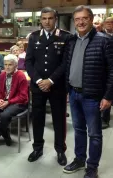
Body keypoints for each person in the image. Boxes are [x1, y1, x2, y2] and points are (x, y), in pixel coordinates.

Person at [63, 6, 113, 178]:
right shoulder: (71, 41)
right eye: (77, 19)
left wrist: (108, 96)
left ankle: (92, 167)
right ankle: (79, 159)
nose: (81, 22)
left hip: (93, 96)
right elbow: (68, 66)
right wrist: (68, 89)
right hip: (74, 94)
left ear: (91, 19)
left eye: (84, 18)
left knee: (94, 133)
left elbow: (112, 71)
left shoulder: (104, 40)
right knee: (78, 129)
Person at [26, 7, 71, 166]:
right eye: (44, 18)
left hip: (57, 86)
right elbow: (29, 62)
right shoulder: (33, 37)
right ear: (40, 20)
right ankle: (37, 148)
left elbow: (66, 63)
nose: (47, 21)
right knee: (37, 118)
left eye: (50, 18)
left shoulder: (65, 37)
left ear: (55, 19)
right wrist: (39, 80)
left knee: (59, 119)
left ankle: (60, 150)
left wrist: (50, 80)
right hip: (38, 86)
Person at [0, 54, 28, 146]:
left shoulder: (21, 76)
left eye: (10, 65)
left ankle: (5, 136)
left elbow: (23, 96)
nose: (7, 67)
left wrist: (9, 102)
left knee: (4, 116)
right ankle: (3, 133)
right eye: (5, 64)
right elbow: (0, 91)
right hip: (5, 100)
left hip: (18, 102)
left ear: (16, 65)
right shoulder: (3, 74)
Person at [101, 17, 113, 129]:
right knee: (105, 92)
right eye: (107, 22)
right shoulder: (100, 35)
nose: (109, 24)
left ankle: (105, 118)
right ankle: (103, 118)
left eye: (111, 22)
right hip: (103, 69)